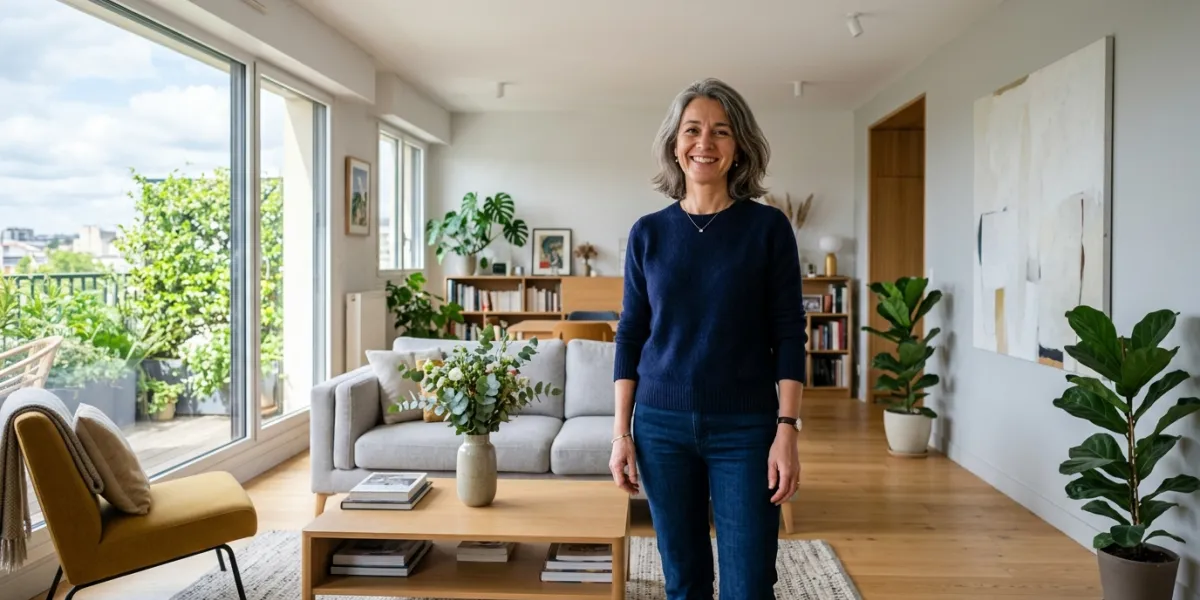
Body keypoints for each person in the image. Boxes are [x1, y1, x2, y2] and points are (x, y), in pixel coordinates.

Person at [609, 78, 807, 600]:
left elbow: (790, 333)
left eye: (721, 131)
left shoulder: (768, 228)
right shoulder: (647, 233)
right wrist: (620, 433)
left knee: (748, 584)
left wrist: (787, 427)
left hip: (746, 428)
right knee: (685, 580)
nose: (705, 142)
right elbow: (631, 334)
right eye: (692, 130)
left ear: (739, 145)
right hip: (660, 428)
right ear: (675, 144)